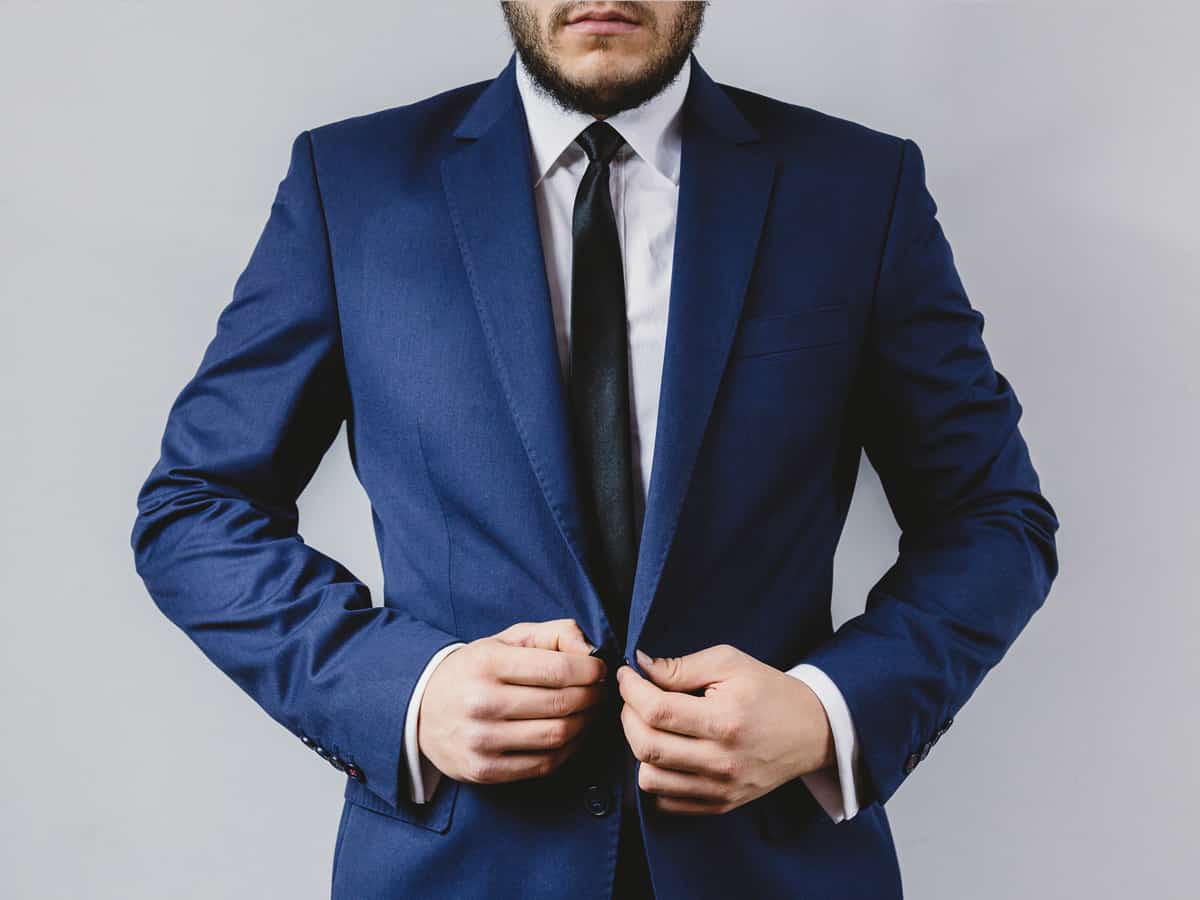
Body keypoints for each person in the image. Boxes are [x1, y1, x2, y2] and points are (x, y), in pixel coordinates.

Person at [130, 2, 1060, 897]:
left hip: (770, 869)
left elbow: (992, 518)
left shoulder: (860, 190)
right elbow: (195, 509)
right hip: (458, 872)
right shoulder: (352, 185)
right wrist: (405, 692)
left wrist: (825, 713)